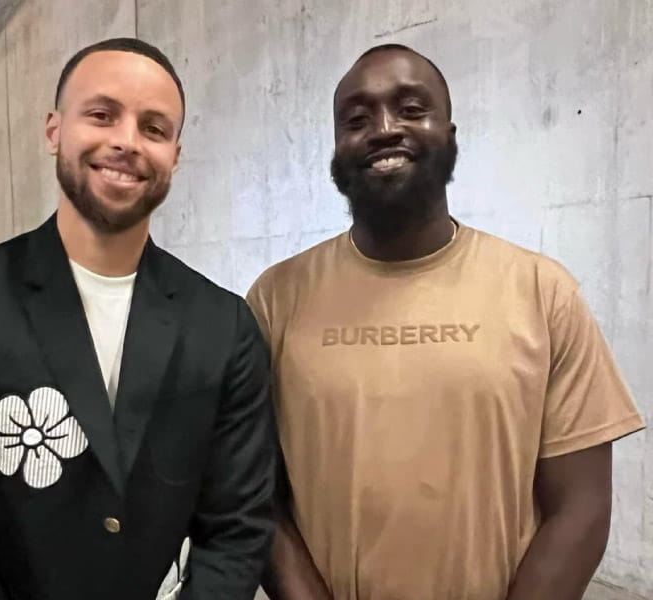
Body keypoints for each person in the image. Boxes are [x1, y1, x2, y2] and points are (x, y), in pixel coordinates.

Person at [247, 43, 644, 600]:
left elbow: (581, 505)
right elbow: (254, 494)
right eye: (356, 120)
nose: (385, 129)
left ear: (450, 135)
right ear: (336, 149)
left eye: (411, 109)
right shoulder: (275, 299)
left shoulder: (542, 292)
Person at [0, 37, 275, 600]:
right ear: (54, 130)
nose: (126, 141)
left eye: (154, 128)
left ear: (175, 155)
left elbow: (238, 530)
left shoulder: (223, 327)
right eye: (101, 115)